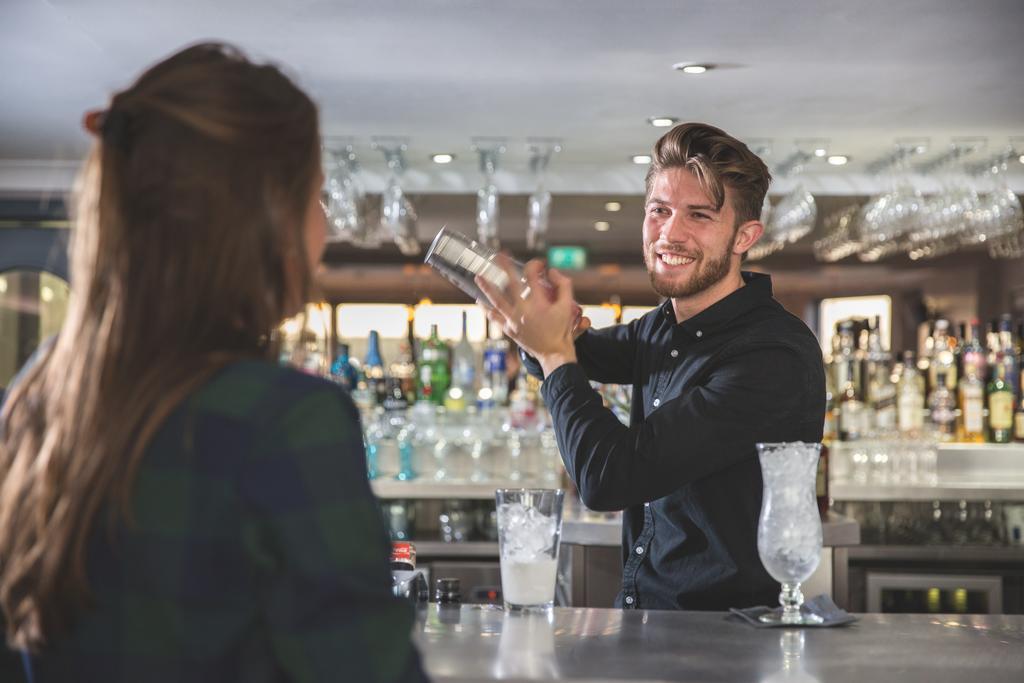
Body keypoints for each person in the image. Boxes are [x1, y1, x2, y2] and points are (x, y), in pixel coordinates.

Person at [0, 43, 427, 682]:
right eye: (316, 196)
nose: (326, 225)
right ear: (263, 218)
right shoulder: (285, 421)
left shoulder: (38, 393)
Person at [477, 122, 826, 611]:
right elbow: (573, 352)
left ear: (745, 236)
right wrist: (535, 326)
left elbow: (608, 478)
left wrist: (555, 353)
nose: (669, 232)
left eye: (699, 215)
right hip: (648, 620)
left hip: (729, 639)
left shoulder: (771, 355)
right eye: (659, 210)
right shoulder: (663, 327)